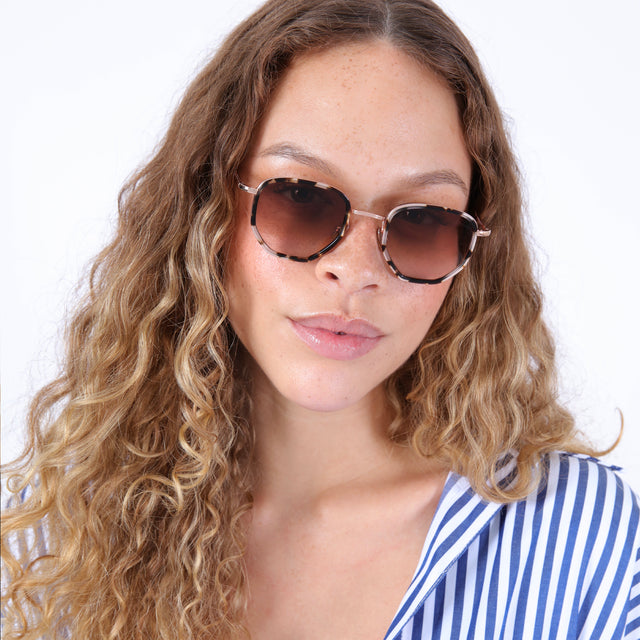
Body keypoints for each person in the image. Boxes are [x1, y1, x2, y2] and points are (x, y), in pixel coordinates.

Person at [2, 0, 638, 638]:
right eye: (300, 199)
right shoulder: (51, 539)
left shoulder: (587, 545)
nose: (356, 270)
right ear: (205, 209)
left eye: (422, 221)